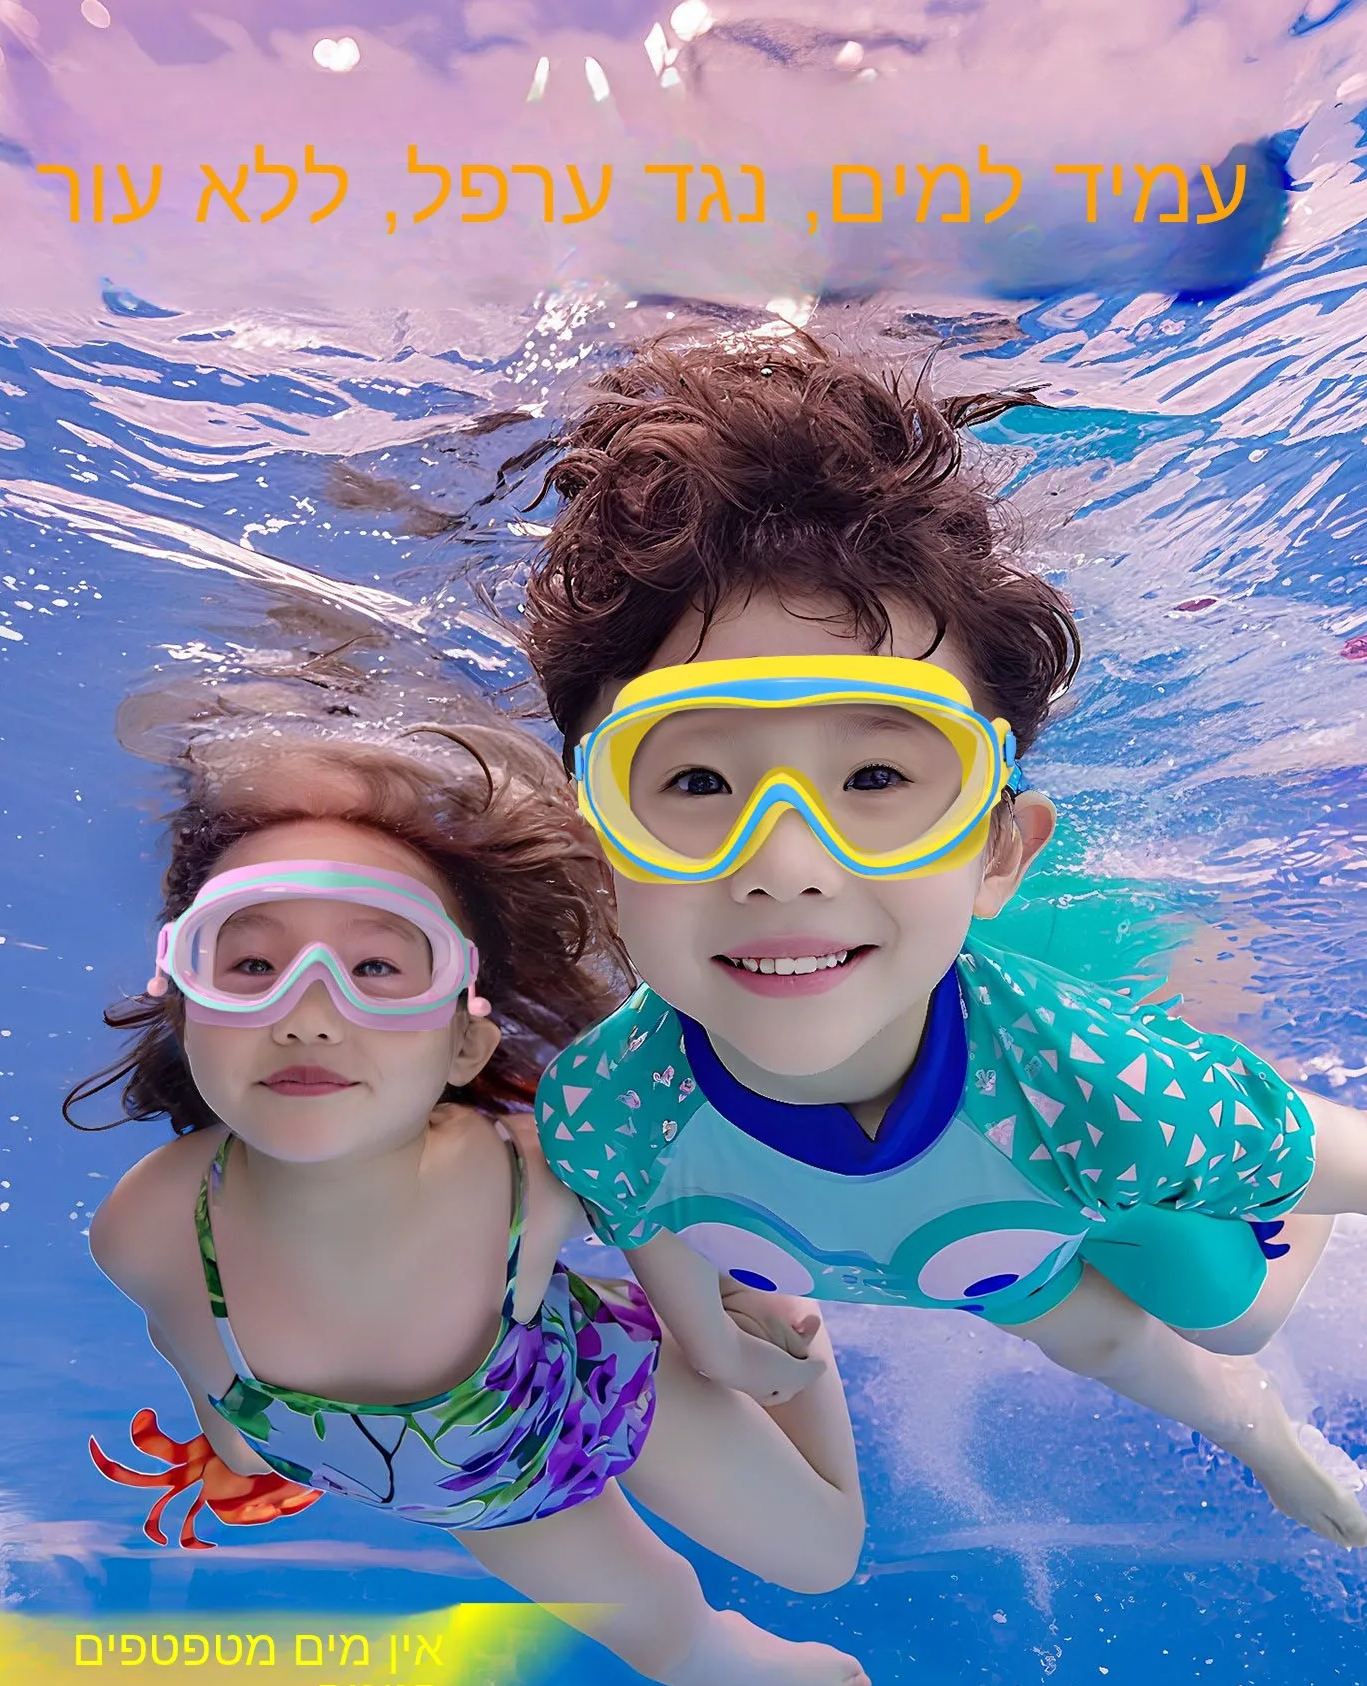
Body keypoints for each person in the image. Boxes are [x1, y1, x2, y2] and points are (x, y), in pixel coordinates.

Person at [523, 330, 1367, 1550]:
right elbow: (638, 1210)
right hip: (987, 1253)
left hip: (1092, 1173)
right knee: (1082, 1334)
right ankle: (1260, 1436)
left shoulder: (1112, 1097)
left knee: (1226, 1317)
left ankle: (1268, 1137)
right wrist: (706, 1337)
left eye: (877, 773)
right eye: (697, 782)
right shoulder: (601, 1106)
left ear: (997, 853)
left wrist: (1292, 1154)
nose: (785, 864)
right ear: (599, 844)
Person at [71, 719, 868, 1686]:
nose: (307, 1011)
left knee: (823, 1557)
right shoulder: (145, 1226)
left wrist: (727, 1331)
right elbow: (199, 1352)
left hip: (596, 1386)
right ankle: (733, 1656)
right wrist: (230, 1457)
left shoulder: (513, 1167)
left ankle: (796, 1330)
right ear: (186, 1011)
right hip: (480, 1487)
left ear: (459, 1045)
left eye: (376, 969)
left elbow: (652, 1191)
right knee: (672, 1645)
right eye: (247, 966)